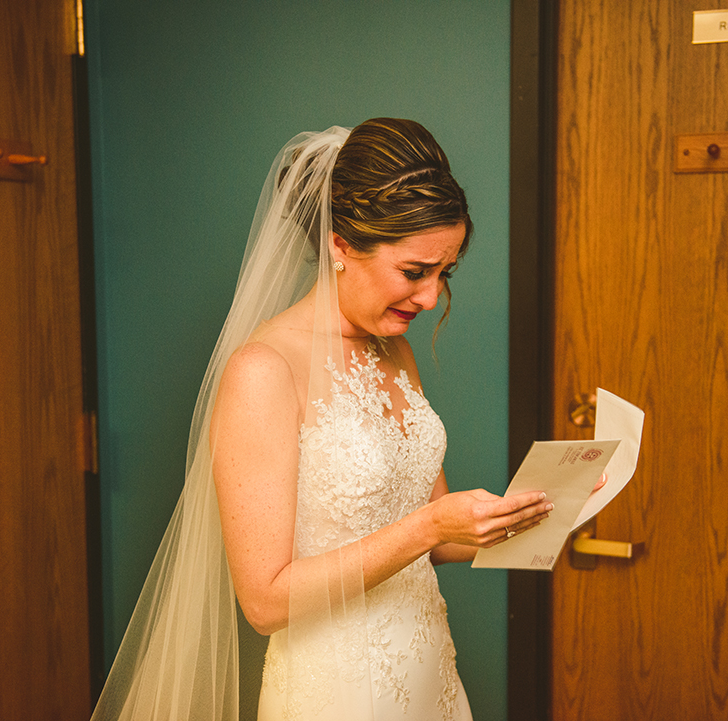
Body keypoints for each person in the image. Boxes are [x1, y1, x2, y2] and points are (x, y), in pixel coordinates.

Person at [91, 119, 553, 721]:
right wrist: (432, 528)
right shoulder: (264, 370)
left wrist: (539, 514)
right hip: (335, 689)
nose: (432, 298)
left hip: (427, 671)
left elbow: (433, 532)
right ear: (340, 245)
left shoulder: (396, 350)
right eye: (414, 272)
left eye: (445, 273)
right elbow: (263, 600)